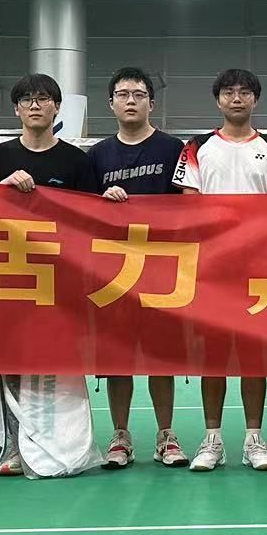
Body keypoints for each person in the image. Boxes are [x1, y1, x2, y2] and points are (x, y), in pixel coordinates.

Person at [173, 68, 267, 472]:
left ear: (255, 100)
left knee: (253, 357)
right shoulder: (197, 147)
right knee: (213, 356)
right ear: (218, 100)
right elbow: (188, 204)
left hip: (258, 270)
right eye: (229, 92)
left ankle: (253, 439)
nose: (237, 98)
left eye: (245, 92)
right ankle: (212, 440)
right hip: (212, 270)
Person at [0, 72, 95, 476]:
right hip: (7, 278)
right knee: (8, 360)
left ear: (57, 107)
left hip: (60, 282)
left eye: (44, 99)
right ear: (17, 109)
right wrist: (1, 188)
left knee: (58, 362)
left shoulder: (77, 162)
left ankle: (60, 444)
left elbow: (91, 221)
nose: (35, 105)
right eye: (27, 100)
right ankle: (12, 445)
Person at [86, 67, 189, 469]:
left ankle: (166, 435)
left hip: (162, 269)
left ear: (151, 103)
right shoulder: (97, 156)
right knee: (118, 358)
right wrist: (102, 201)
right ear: (111, 103)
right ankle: (120, 435)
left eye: (139, 94)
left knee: (161, 356)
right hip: (114, 270)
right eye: (123, 94)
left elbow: (189, 205)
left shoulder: (173, 149)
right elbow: (80, 212)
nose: (131, 100)